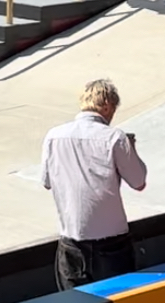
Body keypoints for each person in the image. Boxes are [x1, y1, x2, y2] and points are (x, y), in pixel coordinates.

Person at [41, 77, 148, 289]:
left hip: (71, 241)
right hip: (112, 245)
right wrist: (131, 147)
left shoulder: (54, 136)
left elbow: (46, 182)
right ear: (107, 106)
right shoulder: (114, 138)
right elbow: (139, 182)